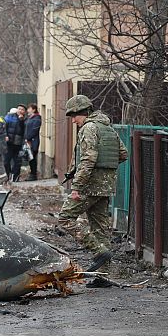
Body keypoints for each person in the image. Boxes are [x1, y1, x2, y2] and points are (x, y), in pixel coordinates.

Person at [58, 94, 127, 272]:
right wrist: (104, 171)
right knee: (100, 228)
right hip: (106, 186)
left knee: (65, 218)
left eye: (75, 116)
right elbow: (123, 154)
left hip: (89, 186)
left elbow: (88, 159)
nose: (73, 121)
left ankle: (99, 251)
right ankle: (104, 274)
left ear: (85, 112)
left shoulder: (89, 128)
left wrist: (77, 187)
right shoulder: (107, 128)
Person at [3, 106, 25, 182]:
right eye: (19, 109)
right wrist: (5, 136)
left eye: (22, 109)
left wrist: (21, 120)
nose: (20, 110)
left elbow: (24, 130)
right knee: (6, 161)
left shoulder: (25, 119)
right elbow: (4, 126)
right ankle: (7, 176)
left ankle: (15, 177)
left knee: (17, 162)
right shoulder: (10, 117)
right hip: (9, 143)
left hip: (19, 144)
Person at [24, 103, 42, 181]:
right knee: (30, 158)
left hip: (33, 141)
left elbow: (34, 130)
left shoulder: (37, 119)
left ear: (33, 109)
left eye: (29, 108)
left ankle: (33, 174)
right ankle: (32, 173)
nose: (28, 110)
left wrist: (28, 138)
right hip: (28, 141)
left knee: (33, 158)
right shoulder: (29, 118)